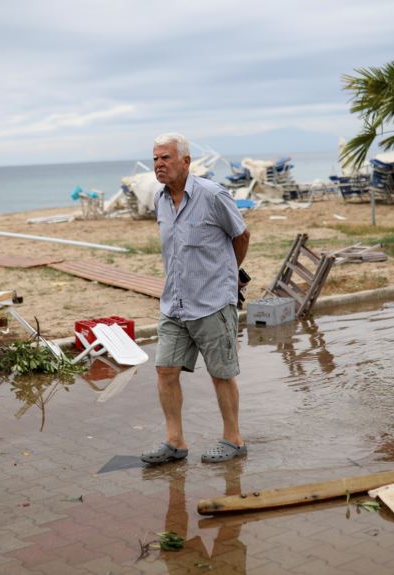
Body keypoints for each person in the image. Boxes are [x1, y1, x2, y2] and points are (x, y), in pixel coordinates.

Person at [141, 132, 251, 465]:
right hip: (174, 303)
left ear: (186, 161)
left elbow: (241, 235)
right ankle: (175, 442)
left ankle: (233, 439)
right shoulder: (160, 200)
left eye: (166, 158)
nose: (159, 164)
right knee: (165, 370)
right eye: (156, 158)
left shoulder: (212, 195)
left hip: (212, 302)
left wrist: (228, 276)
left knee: (221, 373)